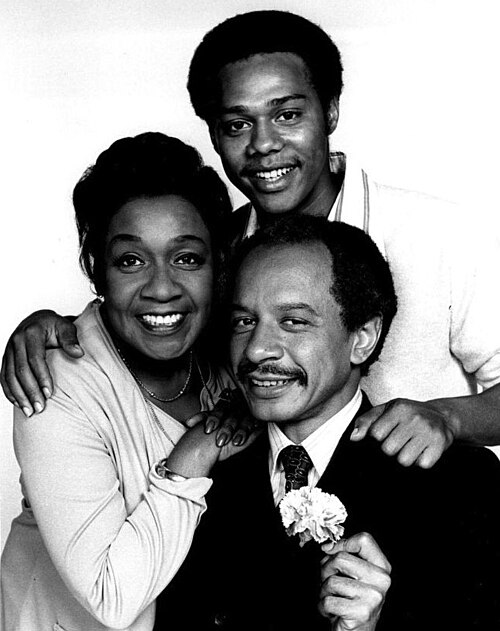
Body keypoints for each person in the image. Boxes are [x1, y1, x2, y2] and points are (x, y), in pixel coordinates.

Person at [3, 10, 500, 467]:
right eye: (238, 124)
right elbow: (157, 317)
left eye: (287, 115)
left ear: (329, 111)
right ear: (215, 136)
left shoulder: (439, 232)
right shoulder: (214, 251)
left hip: (425, 524)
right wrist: (58, 328)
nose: (263, 144)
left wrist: (449, 416)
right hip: (266, 530)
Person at [154, 216, 500, 631]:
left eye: (294, 321)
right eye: (244, 321)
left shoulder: (460, 483)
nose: (258, 349)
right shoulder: (200, 478)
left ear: (362, 338)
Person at [1, 131, 243, 631]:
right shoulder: (56, 382)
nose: (161, 288)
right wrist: (196, 452)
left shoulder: (228, 354)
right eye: (131, 261)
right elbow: (109, 595)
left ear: (218, 266)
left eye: (187, 258)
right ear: (97, 271)